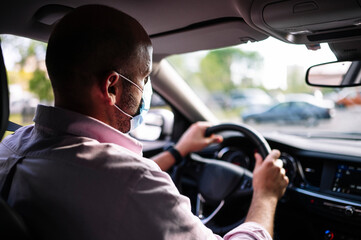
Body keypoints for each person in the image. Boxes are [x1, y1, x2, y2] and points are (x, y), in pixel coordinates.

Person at [0, 5, 288, 240]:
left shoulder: (11, 149)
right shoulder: (133, 184)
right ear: (112, 87)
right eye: (145, 77)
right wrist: (265, 194)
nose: (145, 89)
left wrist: (178, 151)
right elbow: (122, 182)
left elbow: (103, 177)